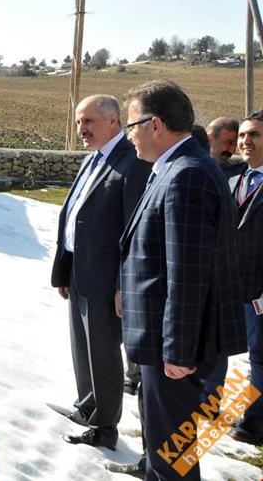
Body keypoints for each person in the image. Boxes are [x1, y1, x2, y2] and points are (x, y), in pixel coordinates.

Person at [119, 80, 246, 480]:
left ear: (155, 125)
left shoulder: (186, 174)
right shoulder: (176, 166)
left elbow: (187, 271)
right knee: (165, 447)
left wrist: (178, 350)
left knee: (173, 457)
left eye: (130, 125)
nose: (128, 135)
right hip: (162, 335)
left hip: (171, 345)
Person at [50, 95, 151, 452]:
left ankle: (104, 427)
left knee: (104, 352)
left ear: (112, 121)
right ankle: (86, 406)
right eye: (79, 122)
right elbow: (75, 214)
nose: (81, 129)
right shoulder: (92, 159)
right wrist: (65, 268)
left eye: (88, 121)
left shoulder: (132, 162)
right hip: (79, 269)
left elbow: (135, 230)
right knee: (82, 346)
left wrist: (124, 284)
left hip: (108, 279)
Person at [227, 110, 263, 444]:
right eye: (242, 135)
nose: (245, 141)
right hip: (226, 283)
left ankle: (255, 422)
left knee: (260, 356)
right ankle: (207, 405)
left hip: (258, 289)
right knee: (215, 347)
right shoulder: (233, 176)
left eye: (254, 135)